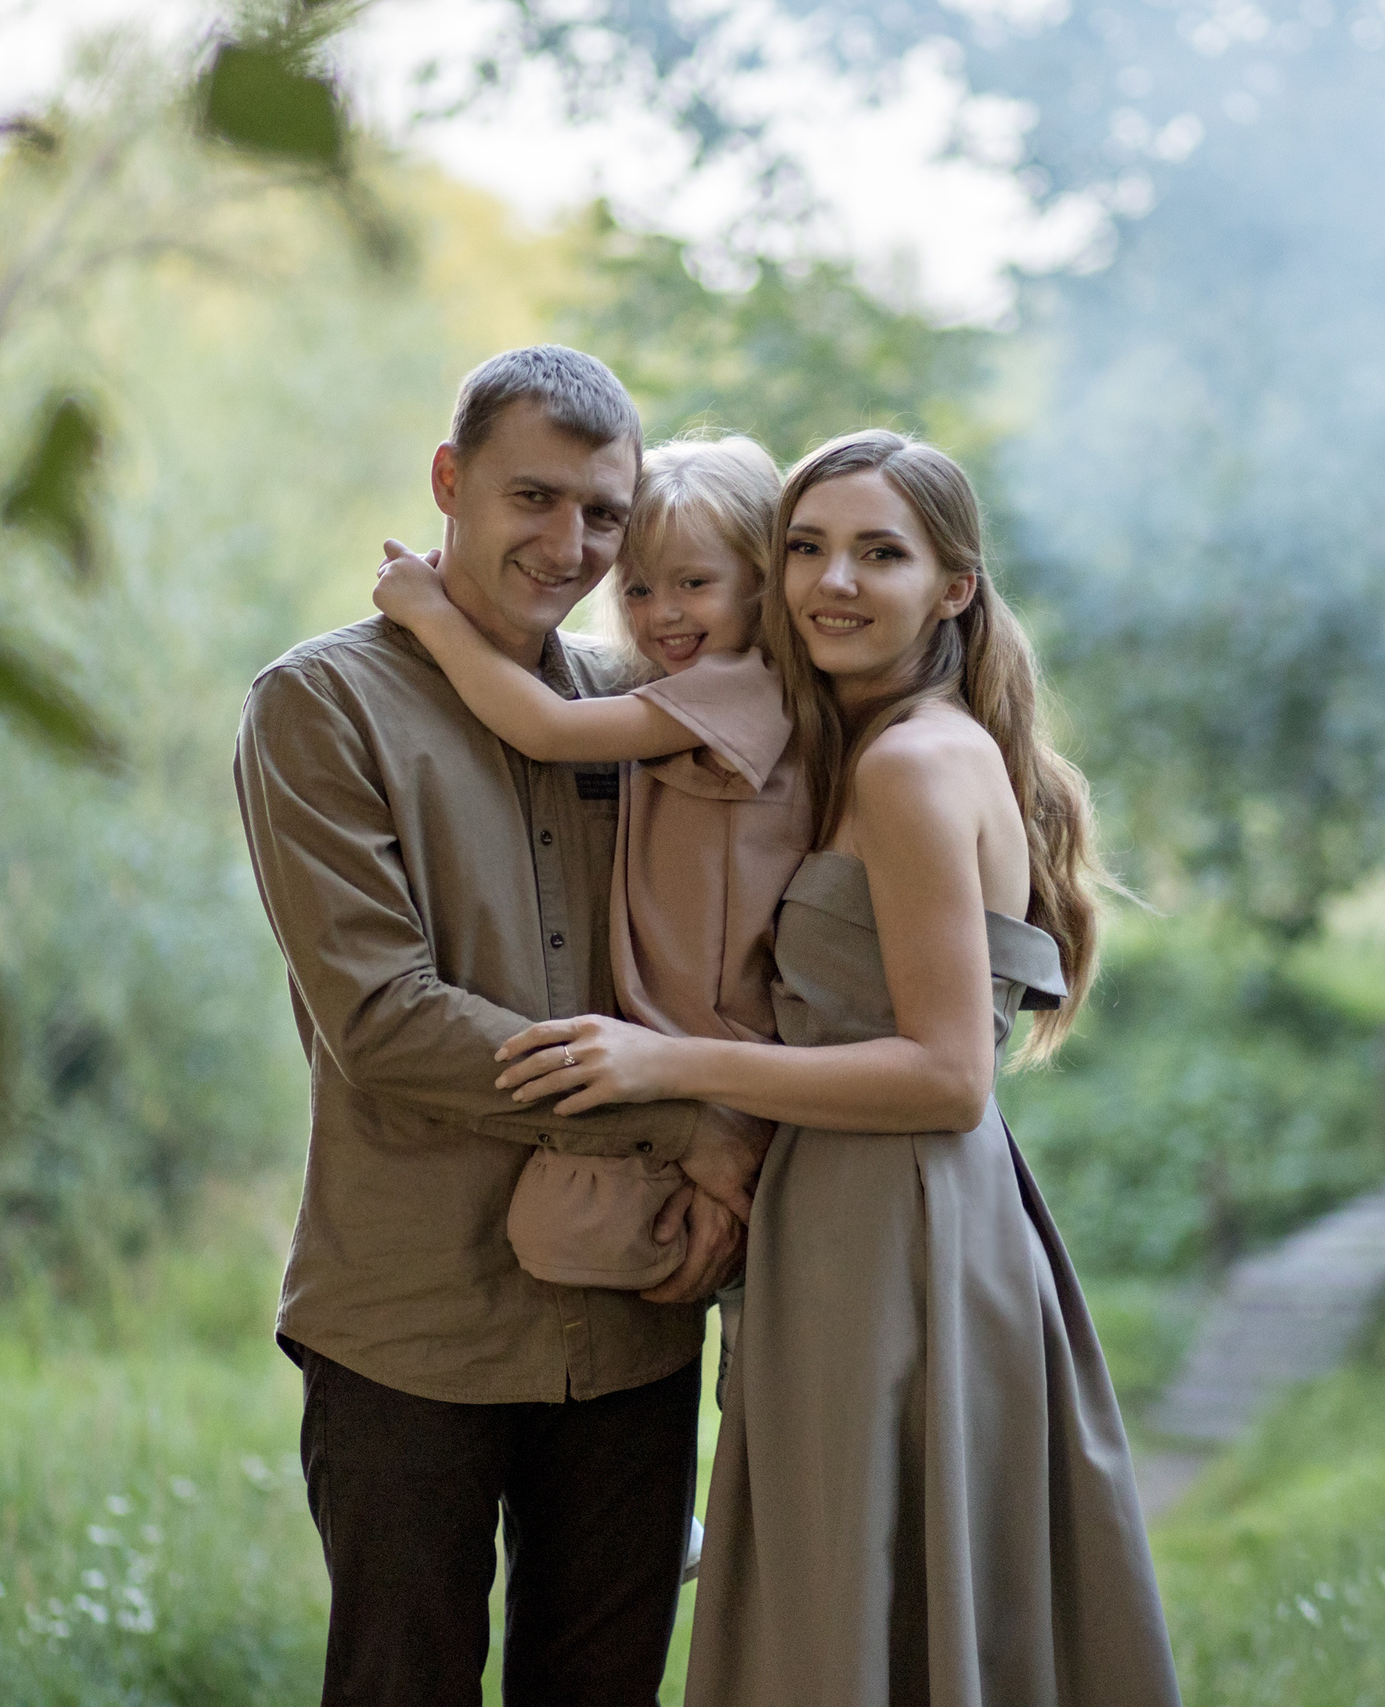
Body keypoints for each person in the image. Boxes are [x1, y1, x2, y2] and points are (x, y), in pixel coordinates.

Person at [495, 430, 1185, 1706]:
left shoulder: (916, 764)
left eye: (881, 553)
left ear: (954, 587)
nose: (833, 582)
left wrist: (667, 1062)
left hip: (892, 1229)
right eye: (806, 548)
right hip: (890, 1219)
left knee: (843, 1614)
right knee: (872, 1603)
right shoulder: (888, 743)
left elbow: (943, 1076)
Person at [232, 346, 760, 1707]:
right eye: (535, 497)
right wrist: (683, 1113)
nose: (570, 543)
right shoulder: (320, 704)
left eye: (602, 513)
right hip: (414, 1319)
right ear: (450, 481)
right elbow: (386, 1019)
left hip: (634, 1314)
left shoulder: (636, 712)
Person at [370, 434, 800, 1388]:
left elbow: (546, 727)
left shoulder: (744, 689)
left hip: (715, 1038)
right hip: (685, 1033)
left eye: (696, 585)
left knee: (578, 1234)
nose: (662, 615)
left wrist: (431, 615)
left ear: (765, 588)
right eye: (641, 590)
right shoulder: (687, 690)